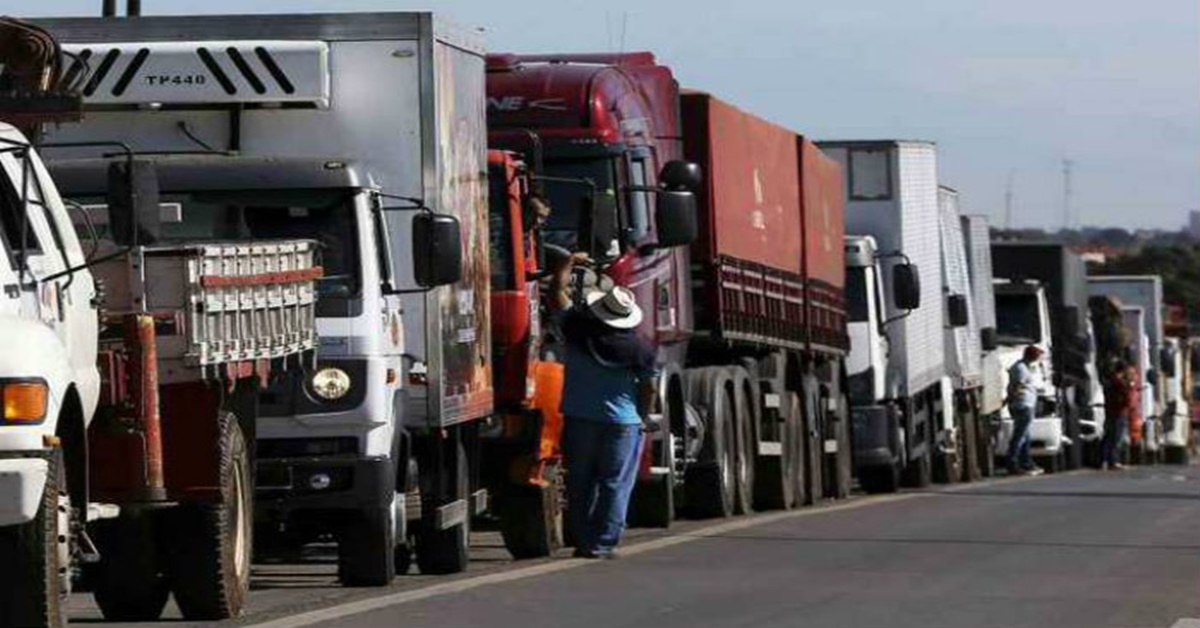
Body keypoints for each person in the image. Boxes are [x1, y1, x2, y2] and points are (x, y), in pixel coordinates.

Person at [558, 285, 658, 559]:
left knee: (580, 482)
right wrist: (644, 417)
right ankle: (602, 543)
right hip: (622, 424)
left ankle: (582, 539)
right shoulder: (640, 348)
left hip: (579, 418)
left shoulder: (576, 331)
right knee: (615, 482)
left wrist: (563, 268)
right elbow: (649, 387)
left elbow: (558, 296)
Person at [1006, 345, 1045, 476]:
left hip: (1025, 404)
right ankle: (1013, 463)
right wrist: (1009, 400)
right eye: (1037, 355)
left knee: (1025, 437)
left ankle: (1026, 462)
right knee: (1019, 437)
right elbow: (1017, 386)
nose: (1039, 358)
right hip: (1023, 405)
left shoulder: (1024, 367)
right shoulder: (1021, 369)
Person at [1101, 360, 1134, 470]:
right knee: (1117, 437)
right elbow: (1126, 397)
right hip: (1119, 412)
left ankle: (1105, 460)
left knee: (1108, 436)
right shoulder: (1119, 382)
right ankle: (1114, 461)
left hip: (1110, 411)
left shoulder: (1109, 381)